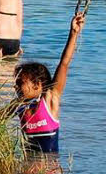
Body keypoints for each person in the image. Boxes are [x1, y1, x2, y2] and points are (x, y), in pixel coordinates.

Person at [14, 12, 85, 154]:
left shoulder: (49, 100)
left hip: (49, 171)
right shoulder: (18, 106)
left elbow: (64, 63)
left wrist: (73, 33)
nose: (16, 86)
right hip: (28, 171)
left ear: (37, 84)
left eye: (20, 82)